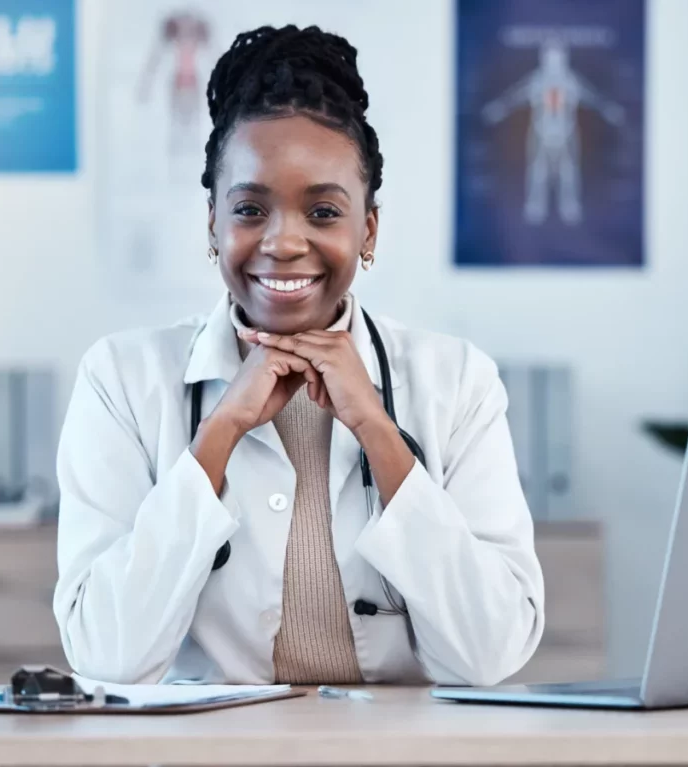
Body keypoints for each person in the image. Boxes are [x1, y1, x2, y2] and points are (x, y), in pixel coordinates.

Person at [53, 24, 544, 686]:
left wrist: (378, 430)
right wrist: (218, 433)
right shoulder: (122, 379)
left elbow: (493, 652)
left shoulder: (457, 381)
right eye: (251, 208)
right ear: (213, 224)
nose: (283, 242)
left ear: (368, 228)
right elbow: (107, 657)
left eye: (322, 212)